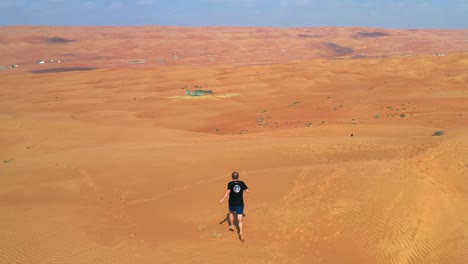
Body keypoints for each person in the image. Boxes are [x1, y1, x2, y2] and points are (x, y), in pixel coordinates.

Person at [219, 171, 249, 241]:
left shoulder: (230, 184)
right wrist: (244, 189)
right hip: (240, 203)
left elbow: (227, 192)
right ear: (238, 177)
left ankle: (231, 225)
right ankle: (241, 232)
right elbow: (247, 191)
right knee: (240, 219)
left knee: (231, 213)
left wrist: (222, 199)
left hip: (232, 203)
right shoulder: (242, 183)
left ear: (232, 177)